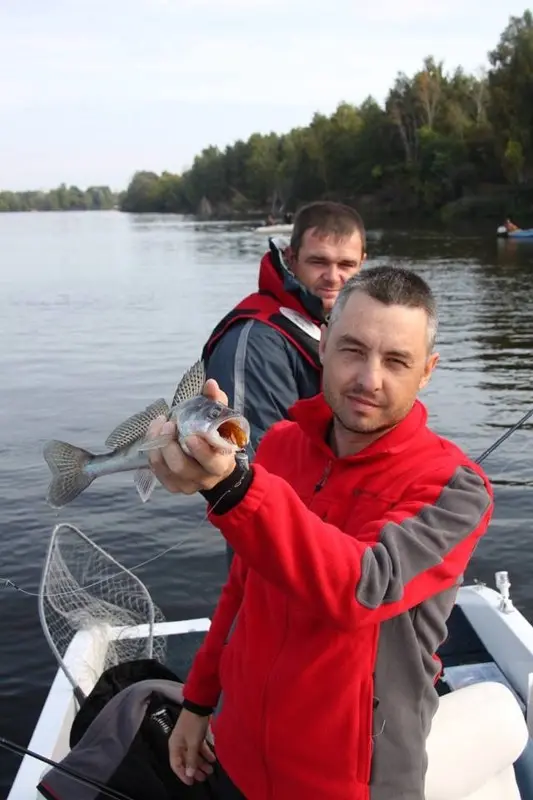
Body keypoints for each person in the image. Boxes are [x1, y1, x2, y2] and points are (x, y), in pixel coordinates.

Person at [147, 266, 494, 800]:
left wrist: (234, 485)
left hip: (349, 783)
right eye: (352, 349)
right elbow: (241, 589)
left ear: (427, 371)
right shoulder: (282, 444)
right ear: (324, 343)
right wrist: (198, 702)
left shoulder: (456, 490)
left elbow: (365, 585)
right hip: (235, 753)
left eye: (396, 360)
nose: (369, 379)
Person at [203, 200, 366, 566]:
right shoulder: (256, 340)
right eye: (318, 262)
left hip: (336, 539)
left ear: (362, 263)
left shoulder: (332, 325)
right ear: (291, 259)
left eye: (346, 265)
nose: (334, 277)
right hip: (277, 549)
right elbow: (247, 466)